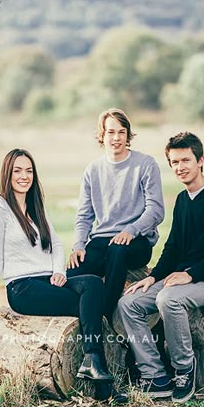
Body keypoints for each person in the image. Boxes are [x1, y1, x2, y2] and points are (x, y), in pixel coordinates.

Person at [0, 149, 126, 403]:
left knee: (92, 283)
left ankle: (92, 361)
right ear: (7, 173)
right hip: (23, 289)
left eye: (29, 170)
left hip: (48, 280)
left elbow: (58, 245)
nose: (24, 176)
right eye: (17, 170)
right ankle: (102, 385)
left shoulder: (36, 204)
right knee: (88, 308)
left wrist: (60, 271)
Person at [117, 132, 204, 403]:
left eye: (185, 160)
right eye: (174, 162)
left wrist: (191, 274)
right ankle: (156, 376)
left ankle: (184, 369)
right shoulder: (184, 200)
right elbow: (173, 247)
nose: (180, 167)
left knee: (169, 299)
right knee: (128, 303)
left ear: (200, 160)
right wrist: (153, 277)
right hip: (185, 277)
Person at [67, 109, 165, 319]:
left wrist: (131, 230)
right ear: (102, 135)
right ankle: (77, 313)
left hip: (137, 242)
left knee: (117, 250)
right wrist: (78, 245)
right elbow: (84, 215)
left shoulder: (145, 164)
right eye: (111, 132)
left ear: (128, 135)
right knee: (75, 271)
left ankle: (107, 314)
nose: (116, 138)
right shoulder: (93, 170)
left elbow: (156, 210)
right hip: (102, 240)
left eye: (121, 132)